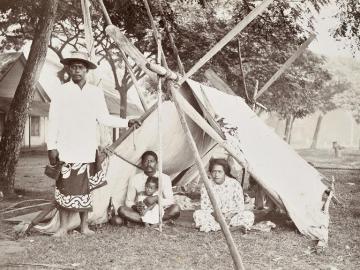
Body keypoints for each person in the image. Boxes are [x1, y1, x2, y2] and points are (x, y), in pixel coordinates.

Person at [46, 51, 141, 237]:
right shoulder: (61, 91)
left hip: (88, 149)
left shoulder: (95, 92)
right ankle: (63, 227)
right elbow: (54, 119)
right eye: (73, 67)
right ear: (69, 69)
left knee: (85, 190)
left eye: (81, 67)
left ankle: (84, 226)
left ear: (87, 70)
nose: (77, 70)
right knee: (65, 188)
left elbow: (104, 117)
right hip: (66, 148)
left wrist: (126, 122)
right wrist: (52, 146)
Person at [118, 150, 180, 225]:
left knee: (175, 208)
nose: (149, 164)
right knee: (122, 210)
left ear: (156, 163)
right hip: (141, 212)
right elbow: (128, 201)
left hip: (159, 211)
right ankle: (160, 221)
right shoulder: (134, 179)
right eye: (146, 161)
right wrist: (136, 207)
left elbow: (170, 200)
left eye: (152, 161)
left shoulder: (165, 178)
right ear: (142, 164)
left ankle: (141, 221)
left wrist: (156, 199)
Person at [193, 158, 254, 232]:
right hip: (214, 217)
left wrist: (230, 216)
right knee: (198, 214)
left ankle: (218, 227)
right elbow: (205, 206)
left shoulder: (234, 184)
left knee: (249, 215)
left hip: (232, 217)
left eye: (219, 172)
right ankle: (229, 228)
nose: (216, 175)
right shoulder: (206, 185)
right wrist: (216, 216)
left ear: (225, 172)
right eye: (214, 172)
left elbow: (240, 206)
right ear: (210, 173)